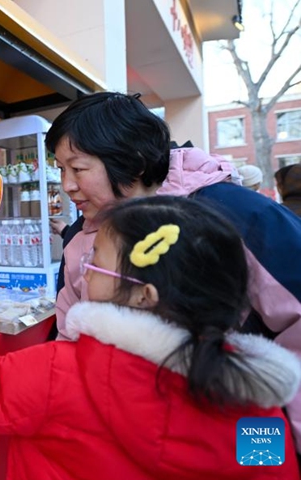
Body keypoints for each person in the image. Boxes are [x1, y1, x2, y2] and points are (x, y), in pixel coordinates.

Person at [0, 196, 301, 479]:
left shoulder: (62, 372)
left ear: (144, 295)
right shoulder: (258, 405)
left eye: (97, 258)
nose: (84, 267)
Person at [46, 92, 301, 453]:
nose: (67, 185)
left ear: (132, 163)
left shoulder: (235, 214)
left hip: (229, 437)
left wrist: (272, 450)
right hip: (128, 445)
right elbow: (67, 337)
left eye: (78, 168)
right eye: (60, 169)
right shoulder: (78, 238)